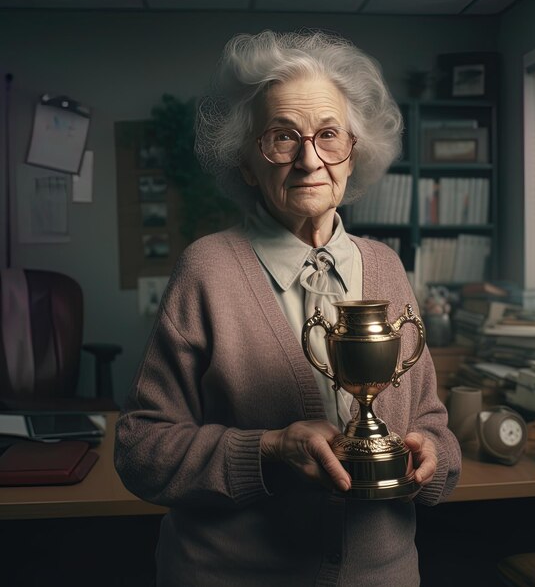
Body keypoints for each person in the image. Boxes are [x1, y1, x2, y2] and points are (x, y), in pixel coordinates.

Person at [115, 29, 461, 587]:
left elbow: (433, 427)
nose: (309, 160)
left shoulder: (387, 268)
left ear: (354, 153)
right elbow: (141, 449)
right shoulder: (207, 269)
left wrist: (430, 457)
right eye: (282, 137)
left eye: (329, 136)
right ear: (248, 162)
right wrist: (269, 450)